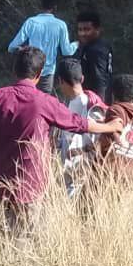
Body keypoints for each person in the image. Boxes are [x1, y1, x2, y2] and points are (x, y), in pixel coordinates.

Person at [0, 47, 122, 236]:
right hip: (30, 181)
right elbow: (78, 124)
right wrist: (109, 127)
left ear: (14, 70)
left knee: (8, 225)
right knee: (24, 235)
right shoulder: (45, 102)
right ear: (40, 73)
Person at [55, 57, 107, 199]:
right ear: (82, 78)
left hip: (80, 172)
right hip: (79, 171)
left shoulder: (86, 105)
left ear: (60, 81)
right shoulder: (91, 103)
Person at [8, 0, 76, 94]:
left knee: (27, 98)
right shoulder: (61, 25)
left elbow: (12, 47)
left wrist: (22, 50)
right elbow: (67, 51)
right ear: (55, 7)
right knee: (44, 100)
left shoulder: (31, 22)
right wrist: (77, 44)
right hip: (48, 72)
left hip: (30, 70)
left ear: (41, 6)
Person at [97, 74, 133, 180]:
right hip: (132, 172)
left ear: (113, 95)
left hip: (109, 172)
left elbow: (113, 134)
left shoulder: (115, 110)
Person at [74, 10, 113, 103]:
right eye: (80, 30)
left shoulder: (95, 50)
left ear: (97, 30)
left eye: (87, 29)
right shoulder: (102, 45)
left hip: (95, 101)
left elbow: (100, 80)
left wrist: (99, 105)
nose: (82, 33)